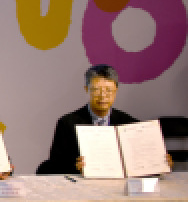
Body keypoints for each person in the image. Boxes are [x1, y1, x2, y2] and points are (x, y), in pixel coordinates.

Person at [37, 64, 172, 175]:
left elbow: (142, 165)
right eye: (96, 90)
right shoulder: (67, 123)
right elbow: (52, 167)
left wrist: (160, 164)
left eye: (108, 90)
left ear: (116, 91)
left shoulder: (130, 124)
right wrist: (75, 167)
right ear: (86, 89)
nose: (103, 96)